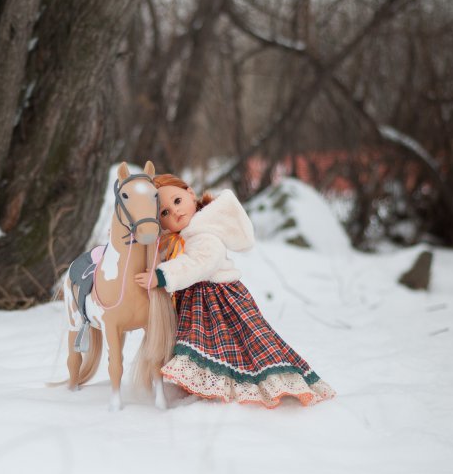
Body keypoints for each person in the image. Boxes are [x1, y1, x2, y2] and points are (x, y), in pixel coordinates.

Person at [134, 174, 335, 407]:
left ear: (190, 193)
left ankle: (233, 383)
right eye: (164, 213)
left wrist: (162, 276)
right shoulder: (183, 237)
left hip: (216, 298)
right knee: (217, 343)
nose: (174, 212)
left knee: (229, 341)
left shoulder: (204, 233)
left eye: (177, 201)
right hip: (202, 298)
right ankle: (208, 384)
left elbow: (198, 263)